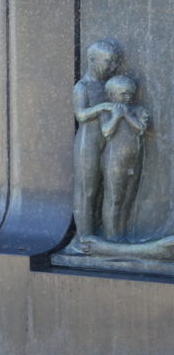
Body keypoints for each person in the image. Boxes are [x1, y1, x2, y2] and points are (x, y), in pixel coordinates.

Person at [70, 40, 119, 250]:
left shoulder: (108, 85)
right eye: (108, 61)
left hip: (107, 141)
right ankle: (84, 239)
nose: (113, 66)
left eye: (114, 61)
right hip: (87, 143)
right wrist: (104, 106)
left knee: (103, 191)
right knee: (87, 191)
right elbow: (81, 115)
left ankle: (101, 235)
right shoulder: (82, 87)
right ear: (92, 60)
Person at [99, 75, 148, 242]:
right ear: (111, 95)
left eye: (130, 94)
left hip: (134, 161)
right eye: (123, 94)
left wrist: (126, 115)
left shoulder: (139, 110)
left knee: (128, 199)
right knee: (114, 199)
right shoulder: (107, 111)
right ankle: (112, 236)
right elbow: (106, 132)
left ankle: (123, 233)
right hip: (114, 161)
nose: (128, 97)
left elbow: (141, 129)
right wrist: (116, 117)